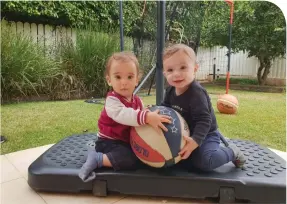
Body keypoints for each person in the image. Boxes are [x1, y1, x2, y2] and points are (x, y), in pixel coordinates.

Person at [79, 51, 171, 182]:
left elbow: (140, 117)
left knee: (143, 155)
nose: (124, 82)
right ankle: (97, 159)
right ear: (109, 80)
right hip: (109, 142)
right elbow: (124, 115)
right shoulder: (112, 100)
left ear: (136, 80)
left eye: (129, 77)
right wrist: (146, 117)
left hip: (126, 141)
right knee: (130, 159)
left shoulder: (137, 100)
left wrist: (149, 114)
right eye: (118, 77)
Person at [161, 44, 245, 172]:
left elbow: (205, 120)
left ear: (195, 69)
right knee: (173, 159)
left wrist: (194, 142)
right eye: (170, 70)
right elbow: (166, 109)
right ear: (164, 73)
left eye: (183, 67)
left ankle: (232, 152)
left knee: (205, 161)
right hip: (184, 134)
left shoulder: (196, 93)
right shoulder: (170, 90)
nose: (176, 74)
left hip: (205, 134)